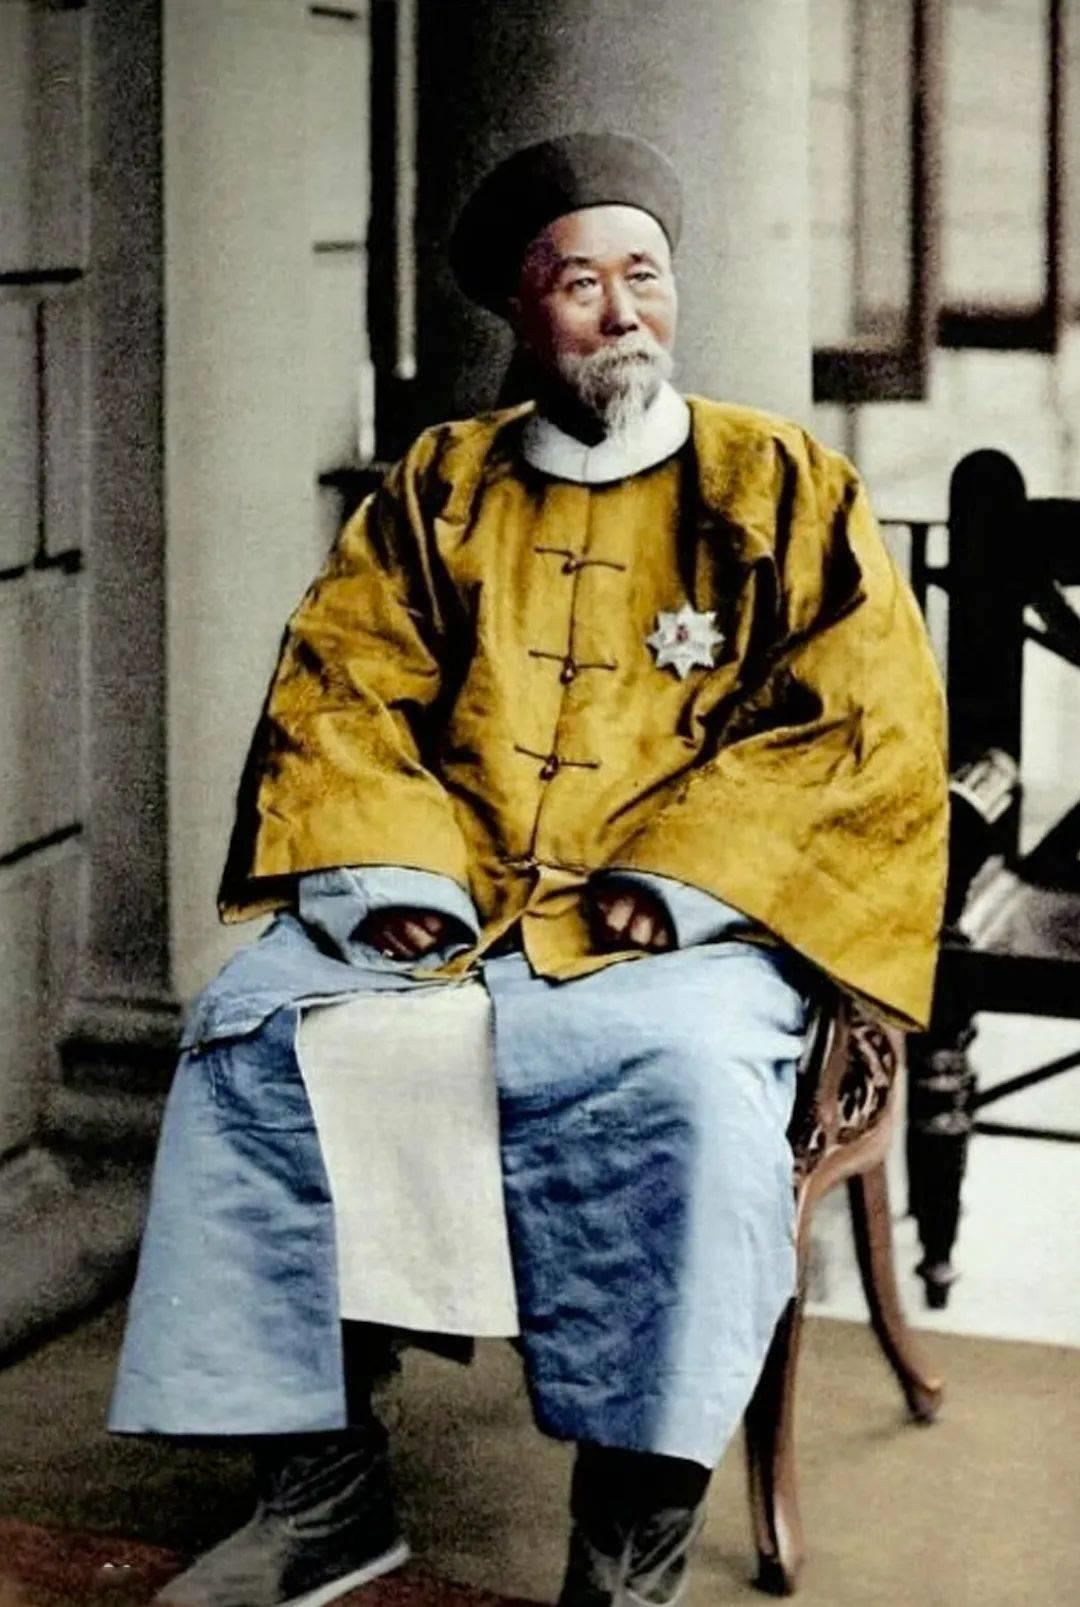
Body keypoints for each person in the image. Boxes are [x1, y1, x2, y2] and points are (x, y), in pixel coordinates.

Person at [109, 133, 948, 1607]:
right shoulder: (442, 484)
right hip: (453, 903)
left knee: (687, 1090)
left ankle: (631, 1539)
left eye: (646, 277)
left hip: (694, 932)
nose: (622, 313)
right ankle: (323, 1499)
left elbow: (862, 723)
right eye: (581, 284)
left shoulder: (781, 483)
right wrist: (396, 877)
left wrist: (681, 879)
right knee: (253, 1037)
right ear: (521, 306)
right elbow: (343, 692)